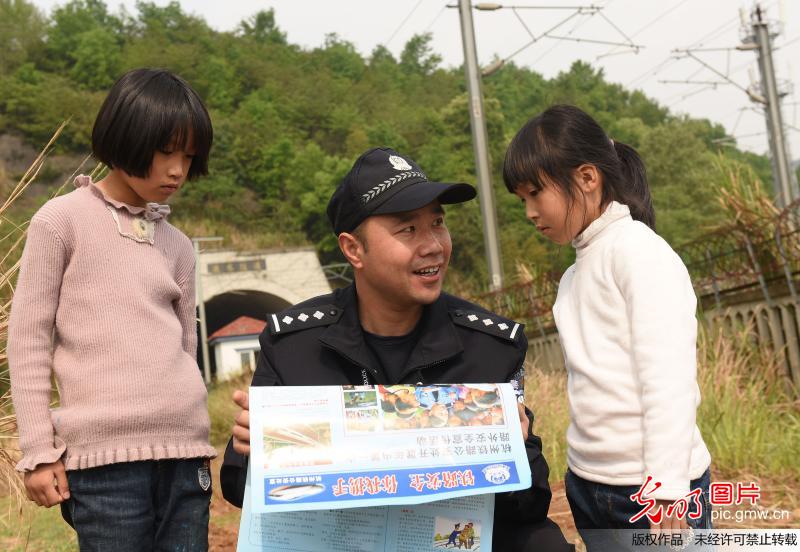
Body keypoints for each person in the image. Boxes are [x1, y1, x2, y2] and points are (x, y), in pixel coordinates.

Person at [221, 147, 573, 551]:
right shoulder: (294, 346)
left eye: (437, 223)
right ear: (354, 249)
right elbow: (238, 488)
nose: (433, 245)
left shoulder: (489, 347)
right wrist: (252, 447)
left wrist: (517, 448)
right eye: (407, 230)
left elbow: (529, 504)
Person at [8, 68, 216, 550]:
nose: (177, 170)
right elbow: (28, 342)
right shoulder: (61, 222)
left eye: (188, 156)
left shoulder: (179, 246)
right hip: (103, 466)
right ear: (125, 137)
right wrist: (39, 451)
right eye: (166, 150)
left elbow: (185, 348)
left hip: (186, 458)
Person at [503, 105, 712, 549]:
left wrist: (668, 486)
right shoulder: (575, 275)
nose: (529, 211)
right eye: (522, 199)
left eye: (536, 193)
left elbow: (668, 381)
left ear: (587, 178)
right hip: (589, 482)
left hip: (651, 489)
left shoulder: (638, 253)